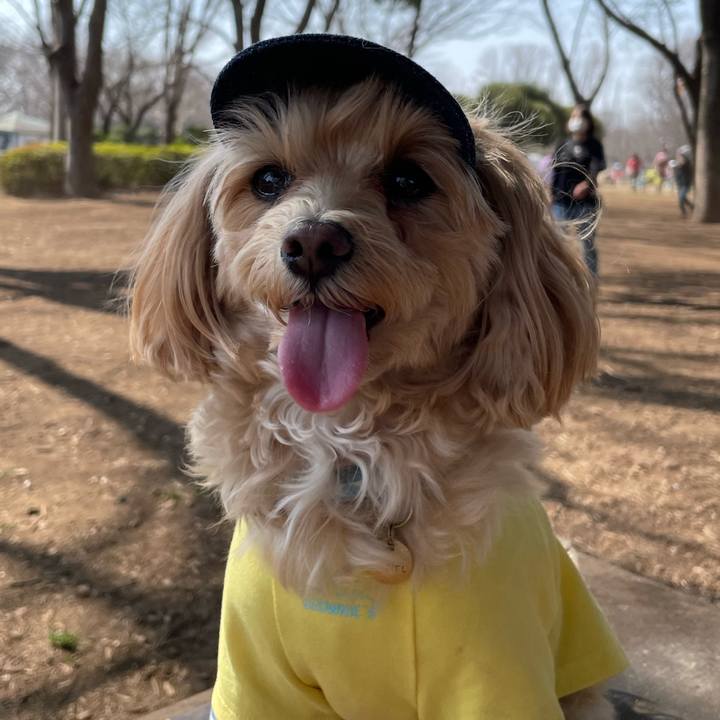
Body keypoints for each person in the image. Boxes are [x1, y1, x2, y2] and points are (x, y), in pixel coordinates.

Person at [550, 104, 606, 277]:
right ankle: (561, 278)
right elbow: (555, 171)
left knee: (587, 244)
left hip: (585, 203)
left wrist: (586, 184)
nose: (576, 120)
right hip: (561, 202)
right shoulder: (562, 143)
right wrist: (551, 195)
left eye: (579, 117)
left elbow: (596, 168)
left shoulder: (594, 145)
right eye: (573, 116)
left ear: (588, 121)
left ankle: (591, 279)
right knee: (559, 243)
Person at [674, 145, 694, 218]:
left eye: (679, 154)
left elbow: (682, 163)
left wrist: (679, 156)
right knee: (683, 198)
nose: (677, 155)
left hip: (685, 183)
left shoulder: (686, 161)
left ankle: (684, 213)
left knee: (681, 199)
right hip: (680, 183)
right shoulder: (678, 162)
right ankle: (692, 206)